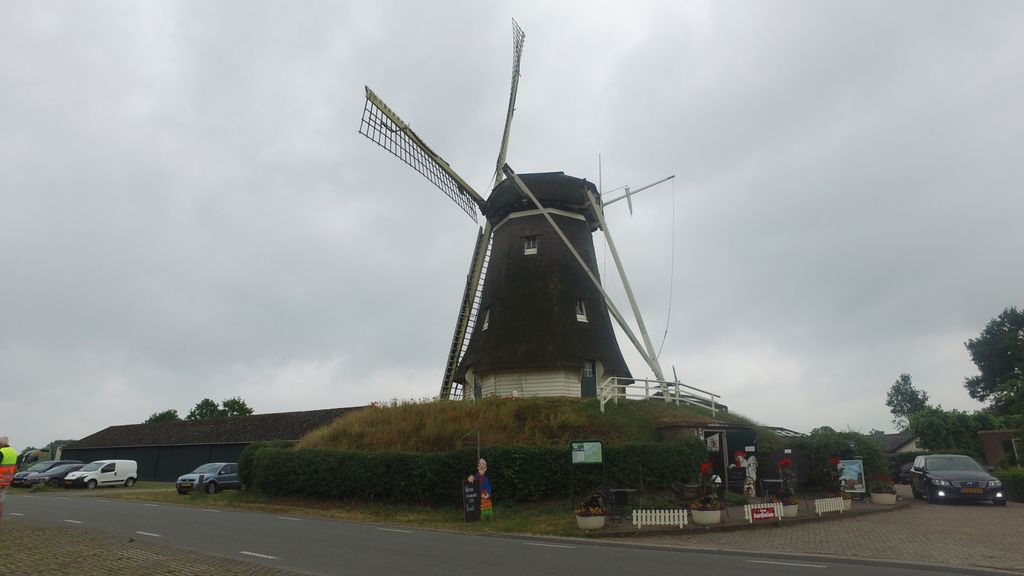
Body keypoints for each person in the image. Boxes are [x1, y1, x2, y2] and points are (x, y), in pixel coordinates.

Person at [0, 436, 18, 520]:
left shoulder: (1, 452)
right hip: (7, 480)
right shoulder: (14, 452)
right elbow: (15, 467)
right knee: (0, 501)